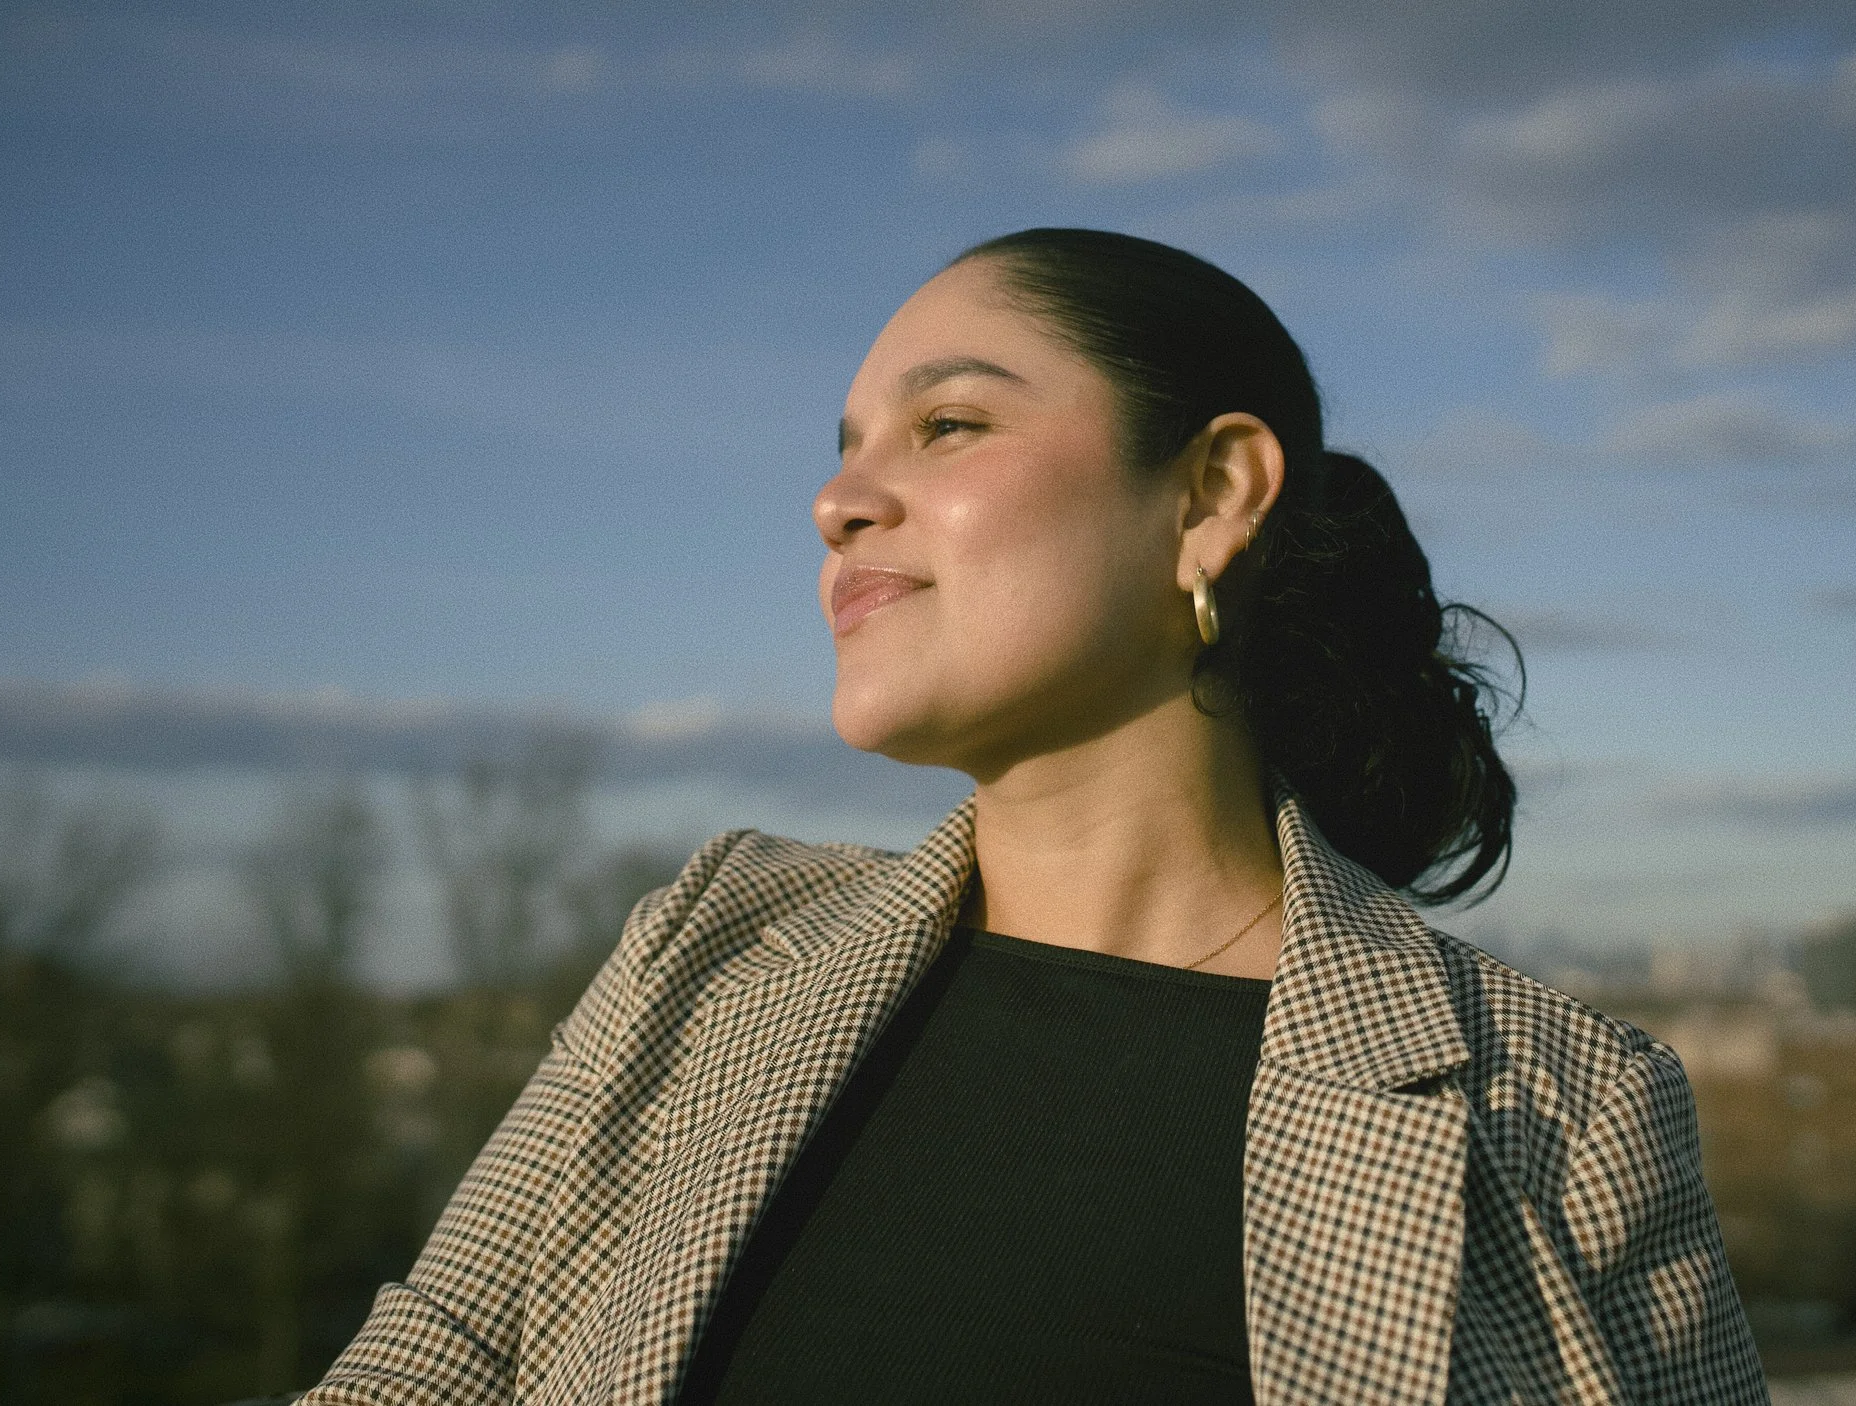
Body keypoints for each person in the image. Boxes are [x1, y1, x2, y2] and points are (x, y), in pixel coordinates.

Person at [301, 229, 1767, 1404]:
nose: (835, 499)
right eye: (848, 442)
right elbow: (437, 1361)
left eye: (945, 424)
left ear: (1209, 493)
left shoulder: (1564, 1108)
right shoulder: (713, 946)